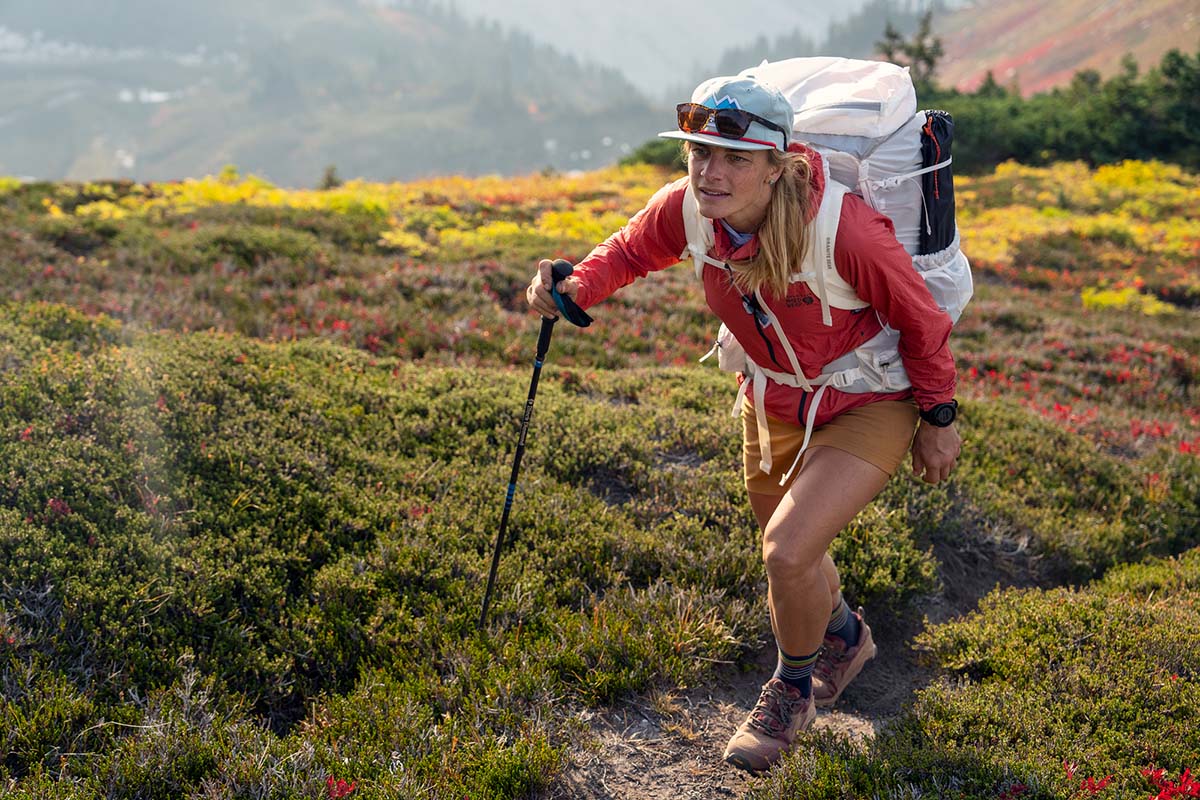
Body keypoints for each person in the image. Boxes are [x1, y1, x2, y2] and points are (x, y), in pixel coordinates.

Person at [524, 73, 961, 772]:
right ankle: (845, 638)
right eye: (699, 154)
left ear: (776, 165)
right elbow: (632, 249)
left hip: (869, 399)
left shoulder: (845, 229)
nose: (711, 171)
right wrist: (575, 286)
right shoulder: (692, 208)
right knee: (794, 554)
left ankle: (792, 690)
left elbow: (920, 318)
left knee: (786, 551)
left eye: (734, 158)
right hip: (771, 398)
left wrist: (938, 416)